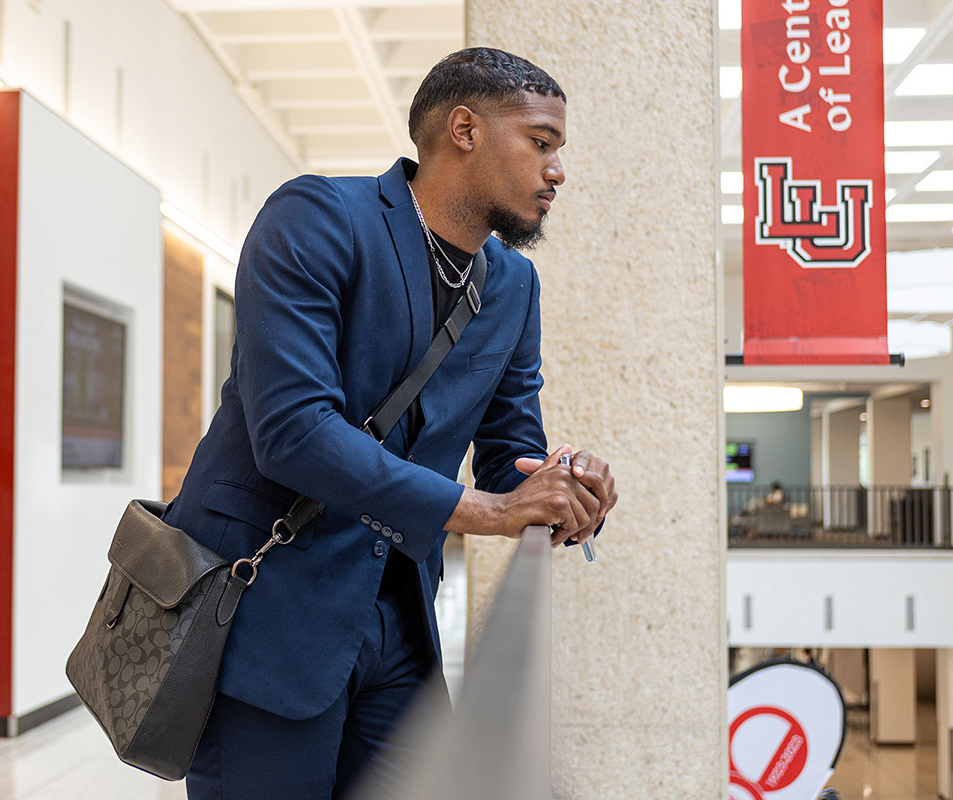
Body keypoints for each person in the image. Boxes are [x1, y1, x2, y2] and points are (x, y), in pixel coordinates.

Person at [163, 47, 618, 799]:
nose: (557, 170)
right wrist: (490, 512)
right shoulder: (317, 219)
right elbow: (294, 431)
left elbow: (511, 454)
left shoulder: (512, 286)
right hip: (265, 616)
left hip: (402, 622)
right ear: (465, 129)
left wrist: (563, 490)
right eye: (540, 142)